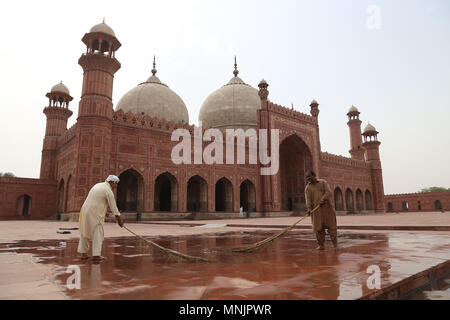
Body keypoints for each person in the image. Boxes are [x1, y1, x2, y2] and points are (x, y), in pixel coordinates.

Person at [77, 175, 124, 262]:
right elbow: (114, 207)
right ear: (112, 182)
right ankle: (96, 255)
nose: (116, 186)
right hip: (95, 214)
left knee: (85, 231)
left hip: (85, 210)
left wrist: (105, 212)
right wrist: (119, 220)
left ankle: (83, 254)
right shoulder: (108, 190)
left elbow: (95, 200)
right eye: (116, 184)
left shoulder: (97, 185)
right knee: (97, 233)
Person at [305, 170, 338, 250]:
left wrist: (323, 199)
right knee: (318, 229)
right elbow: (308, 200)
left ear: (314, 175)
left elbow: (328, 192)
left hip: (327, 209)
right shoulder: (308, 188)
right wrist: (309, 209)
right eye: (306, 177)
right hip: (316, 211)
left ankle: (335, 245)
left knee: (332, 228)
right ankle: (321, 245)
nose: (308, 178)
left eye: (309, 176)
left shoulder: (323, 182)